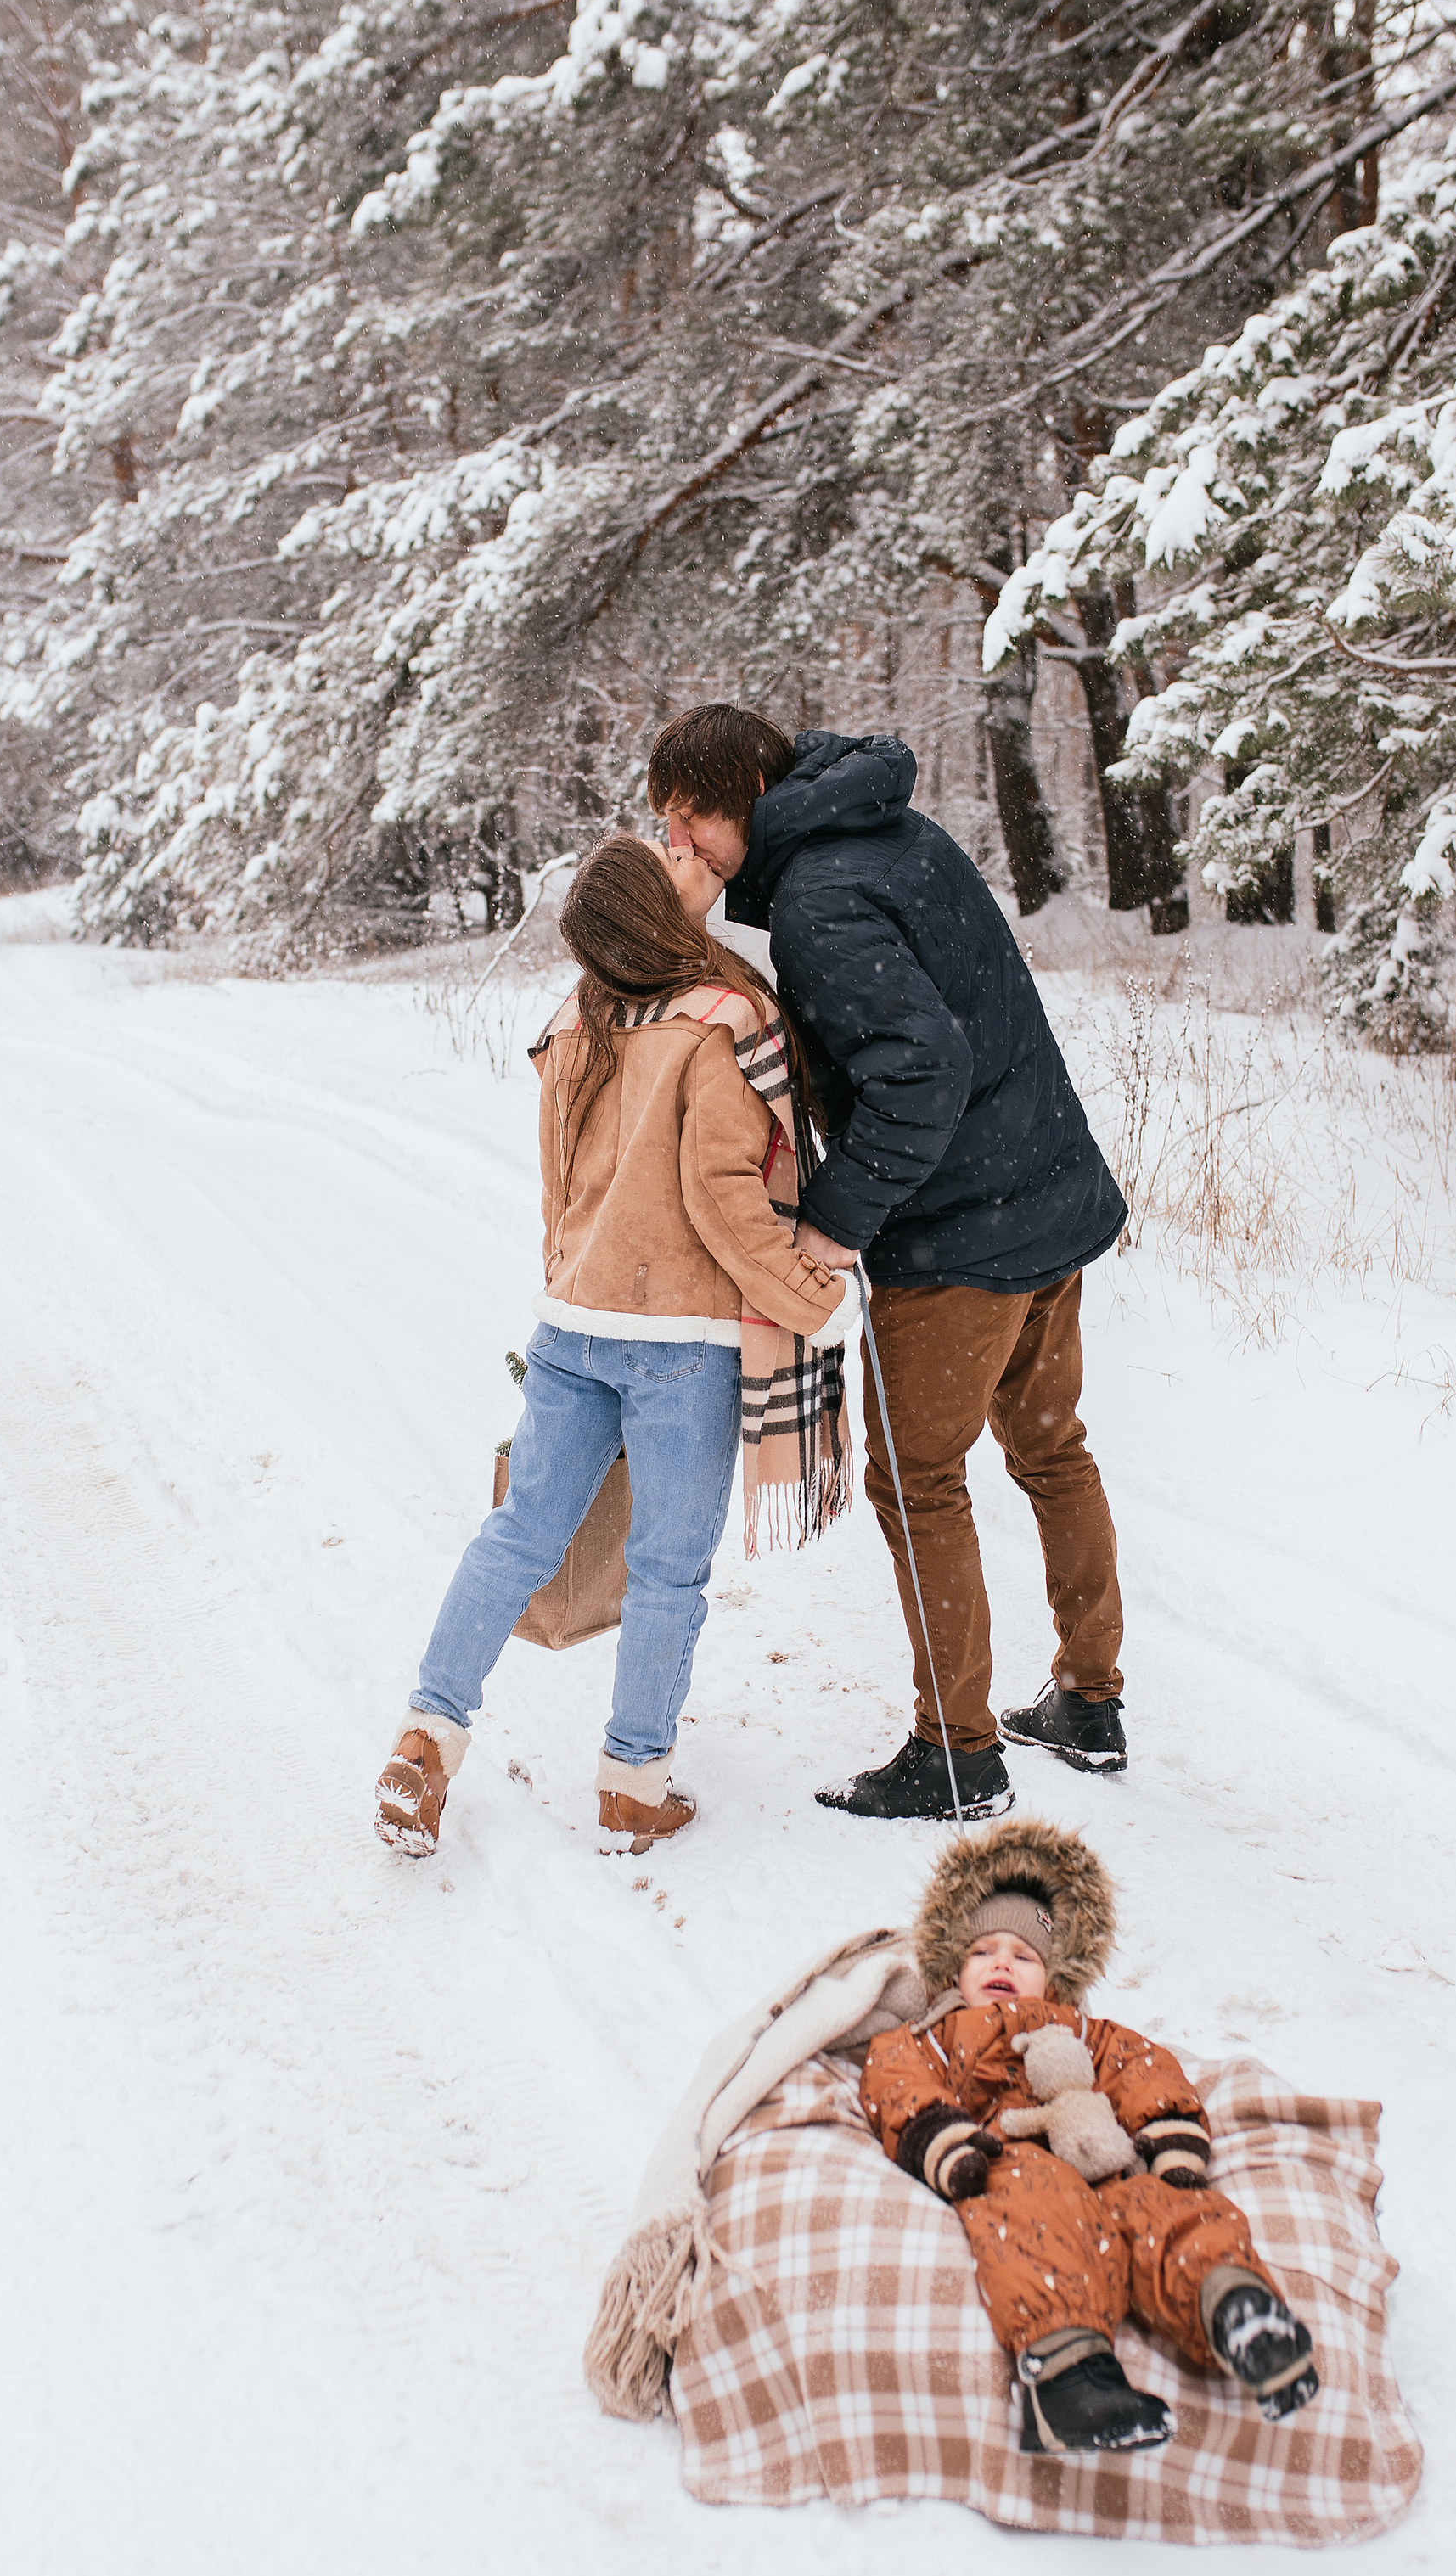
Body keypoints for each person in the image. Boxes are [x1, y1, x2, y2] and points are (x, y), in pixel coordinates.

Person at [649, 702, 1130, 1820]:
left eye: (681, 826)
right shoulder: (881, 832)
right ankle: (1090, 1703)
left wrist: (834, 1222)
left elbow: (922, 1073)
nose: (680, 850)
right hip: (1045, 1193)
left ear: (708, 807)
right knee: (1052, 1448)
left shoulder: (817, 902)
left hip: (962, 1237)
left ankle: (958, 1755)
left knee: (917, 1482)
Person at [375, 839, 847, 1862]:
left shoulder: (576, 1018)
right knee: (666, 1571)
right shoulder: (719, 1023)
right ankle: (634, 1783)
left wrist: (574, 1275)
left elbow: (558, 1188)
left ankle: (427, 1735)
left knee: (518, 1537)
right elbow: (726, 1203)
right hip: (681, 1343)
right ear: (655, 917)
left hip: (572, 1322)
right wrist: (818, 1301)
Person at [858, 1819, 1319, 2455]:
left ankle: (1235, 2308)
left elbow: (1141, 2066)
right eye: (983, 1951)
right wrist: (945, 2139)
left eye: (1024, 1956)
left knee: (1170, 2211)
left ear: (1054, 1977)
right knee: (1037, 2214)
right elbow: (895, 2078)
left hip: (1106, 2163)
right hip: (1011, 2159)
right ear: (952, 1968)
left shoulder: (1085, 2032)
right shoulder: (938, 2033)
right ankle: (1069, 2376)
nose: (1002, 1963)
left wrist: (1169, 2140)